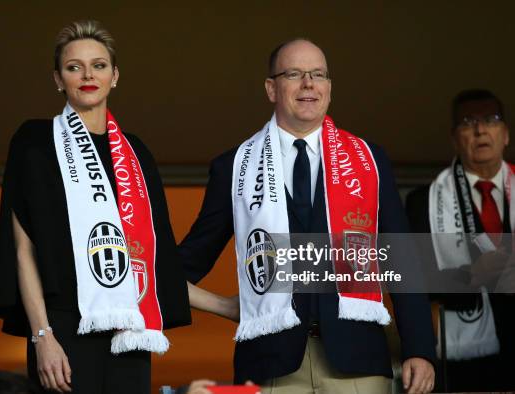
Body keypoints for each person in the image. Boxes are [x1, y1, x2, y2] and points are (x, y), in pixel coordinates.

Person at [178, 38, 436, 394]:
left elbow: (404, 261)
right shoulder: (234, 167)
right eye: (294, 74)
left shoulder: (369, 161)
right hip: (272, 367)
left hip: (357, 364)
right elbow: (177, 270)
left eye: (318, 74)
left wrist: (420, 350)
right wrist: (224, 306)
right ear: (272, 88)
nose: (309, 84)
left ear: (329, 87)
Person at [0, 20, 192, 394]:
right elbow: (23, 252)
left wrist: (228, 307)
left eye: (98, 65)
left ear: (114, 76)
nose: (87, 75)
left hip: (129, 332)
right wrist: (42, 338)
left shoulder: (136, 154)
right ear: (57, 78)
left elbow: (153, 261)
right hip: (64, 329)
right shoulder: (35, 142)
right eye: (73, 67)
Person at [406, 89, 515, 391]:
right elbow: (414, 283)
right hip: (463, 362)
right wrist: (471, 275)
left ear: (505, 134)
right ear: (455, 139)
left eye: (490, 120)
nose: (480, 129)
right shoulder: (423, 202)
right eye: (468, 122)